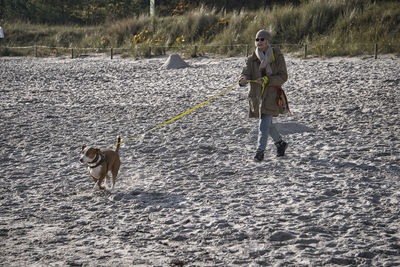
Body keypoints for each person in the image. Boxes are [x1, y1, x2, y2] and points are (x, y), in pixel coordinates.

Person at [239, 29, 288, 162]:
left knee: (263, 124)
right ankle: (280, 144)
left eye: (262, 39)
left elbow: (283, 76)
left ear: (267, 41)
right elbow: (245, 73)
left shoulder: (277, 56)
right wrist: (243, 79)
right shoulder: (251, 59)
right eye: (257, 39)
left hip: (272, 95)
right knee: (268, 124)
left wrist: (268, 80)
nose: (259, 41)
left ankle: (259, 152)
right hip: (257, 97)